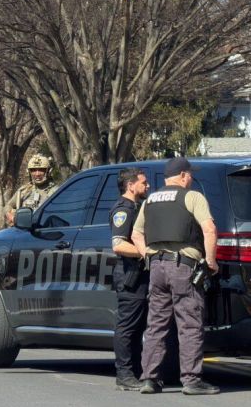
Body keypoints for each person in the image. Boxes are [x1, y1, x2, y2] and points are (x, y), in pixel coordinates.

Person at [131, 157, 219, 395]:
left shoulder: (150, 200)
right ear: (182, 175)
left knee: (156, 325)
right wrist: (210, 261)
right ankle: (191, 381)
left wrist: (148, 255)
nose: (191, 178)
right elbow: (209, 229)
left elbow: (136, 234)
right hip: (183, 267)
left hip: (156, 268)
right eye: (190, 174)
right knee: (189, 324)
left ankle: (149, 378)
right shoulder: (192, 197)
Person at [110, 167, 150, 391]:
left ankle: (135, 371)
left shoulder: (138, 207)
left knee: (138, 327)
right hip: (130, 276)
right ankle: (124, 374)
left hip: (142, 276)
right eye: (143, 183)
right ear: (131, 185)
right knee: (127, 326)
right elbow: (119, 245)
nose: (147, 186)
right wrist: (147, 252)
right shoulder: (123, 209)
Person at [5, 154, 59, 225]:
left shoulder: (56, 191)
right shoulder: (24, 191)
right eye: (33, 170)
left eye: (41, 170)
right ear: (29, 172)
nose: (37, 174)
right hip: (25, 232)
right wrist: (12, 217)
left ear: (48, 171)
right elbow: (8, 206)